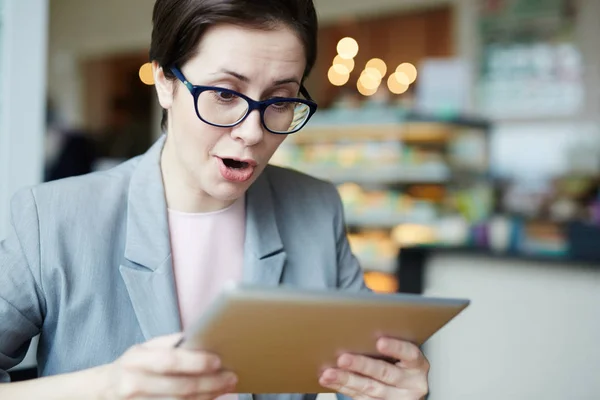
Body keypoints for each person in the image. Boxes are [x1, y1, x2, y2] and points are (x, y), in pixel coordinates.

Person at [0, 0, 430, 399]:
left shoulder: (316, 209)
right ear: (165, 81)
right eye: (225, 94)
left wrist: (391, 388)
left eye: (280, 100)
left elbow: (357, 371)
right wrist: (107, 385)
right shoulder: (52, 219)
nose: (253, 131)